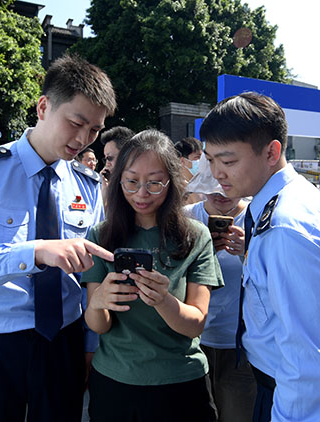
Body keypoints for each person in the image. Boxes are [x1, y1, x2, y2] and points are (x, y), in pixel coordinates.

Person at [0, 54, 116, 422]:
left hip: (62, 341)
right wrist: (34, 252)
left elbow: (93, 277)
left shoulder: (90, 186)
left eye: (94, 130)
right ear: (44, 106)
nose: (82, 139)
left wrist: (90, 347)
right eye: (76, 123)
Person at [201, 92, 320, 422]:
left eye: (228, 161)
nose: (217, 173)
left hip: (304, 402)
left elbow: (308, 366)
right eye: (210, 160)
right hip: (310, 391)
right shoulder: (283, 201)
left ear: (271, 151)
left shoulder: (285, 228)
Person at [82, 129, 223, 422]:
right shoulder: (100, 235)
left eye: (155, 183)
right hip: (115, 381)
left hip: (180, 382)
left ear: (172, 183)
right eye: (132, 182)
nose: (142, 194)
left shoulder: (195, 236)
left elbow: (196, 323)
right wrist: (99, 303)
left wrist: (163, 301)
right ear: (119, 180)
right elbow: (98, 326)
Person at [183, 157, 256, 422]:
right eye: (211, 187)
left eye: (224, 186)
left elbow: (276, 279)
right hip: (193, 341)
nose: (220, 194)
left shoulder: (256, 216)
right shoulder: (187, 217)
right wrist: (203, 256)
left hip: (241, 343)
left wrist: (249, 252)